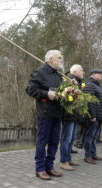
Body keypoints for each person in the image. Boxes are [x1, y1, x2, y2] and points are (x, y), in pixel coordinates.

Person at [25, 50, 63, 180]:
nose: (61, 59)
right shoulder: (40, 72)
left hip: (57, 113)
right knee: (43, 141)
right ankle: (40, 169)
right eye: (59, 57)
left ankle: (50, 167)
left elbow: (62, 92)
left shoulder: (58, 75)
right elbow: (30, 89)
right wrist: (47, 94)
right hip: (45, 113)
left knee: (54, 142)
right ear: (51, 59)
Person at [59, 64, 84, 171]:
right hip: (68, 115)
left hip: (75, 115)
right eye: (81, 70)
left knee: (72, 139)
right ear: (74, 72)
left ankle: (68, 159)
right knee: (66, 139)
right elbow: (65, 96)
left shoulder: (78, 82)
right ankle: (63, 161)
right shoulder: (67, 80)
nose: (83, 72)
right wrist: (75, 93)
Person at [83, 69, 102, 164]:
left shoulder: (97, 85)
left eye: (101, 74)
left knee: (94, 137)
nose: (101, 75)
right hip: (94, 116)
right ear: (92, 75)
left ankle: (93, 154)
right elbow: (90, 101)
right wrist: (92, 115)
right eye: (99, 74)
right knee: (89, 136)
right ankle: (87, 155)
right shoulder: (90, 85)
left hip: (99, 116)